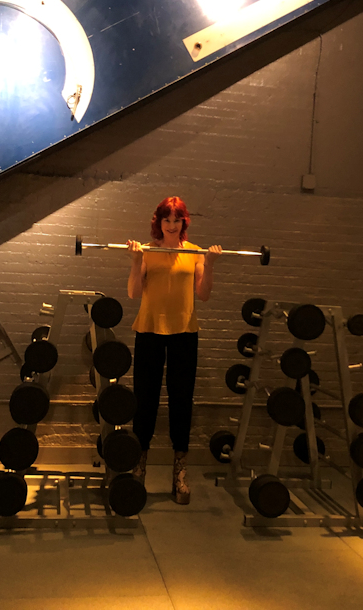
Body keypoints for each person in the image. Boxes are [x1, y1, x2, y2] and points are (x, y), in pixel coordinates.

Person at [126, 196, 221, 504]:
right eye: (166, 220)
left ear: (183, 222)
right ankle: (139, 466)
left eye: (176, 220)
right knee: (145, 399)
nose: (170, 225)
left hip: (184, 333)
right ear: (159, 222)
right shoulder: (148, 251)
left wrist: (211, 265)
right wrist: (134, 261)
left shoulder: (195, 253)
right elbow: (133, 292)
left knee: (181, 400)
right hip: (150, 330)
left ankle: (179, 471)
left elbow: (203, 295)